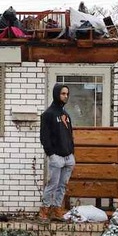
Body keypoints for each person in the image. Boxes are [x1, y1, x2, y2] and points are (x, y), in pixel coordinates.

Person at [39, 83, 75, 220]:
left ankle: (57, 209)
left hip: (68, 157)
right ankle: (45, 209)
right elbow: (44, 137)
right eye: (62, 93)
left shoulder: (66, 115)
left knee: (62, 185)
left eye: (67, 94)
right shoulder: (48, 114)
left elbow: (69, 135)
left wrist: (72, 152)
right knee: (52, 184)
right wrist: (51, 154)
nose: (65, 96)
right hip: (56, 157)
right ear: (56, 94)